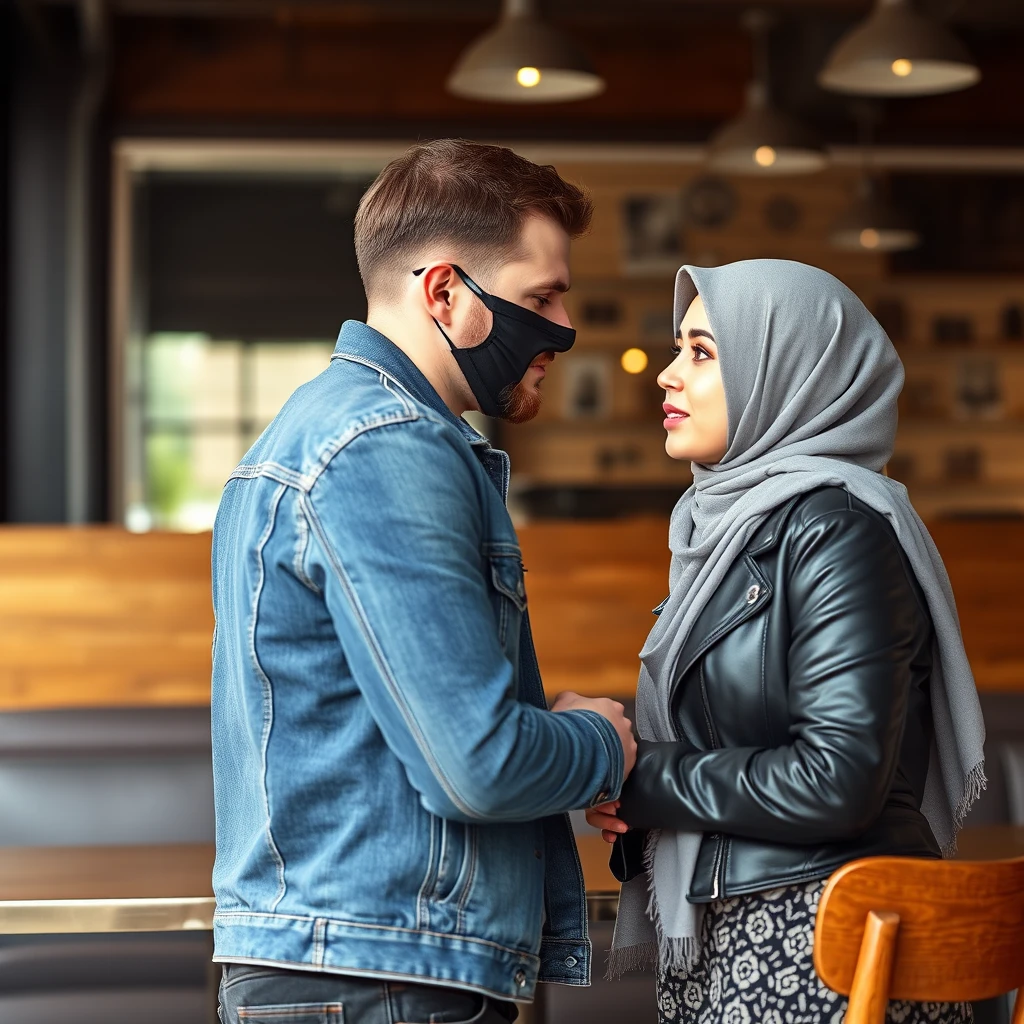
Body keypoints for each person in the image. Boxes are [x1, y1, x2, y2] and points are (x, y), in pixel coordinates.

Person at [211, 139, 636, 1024]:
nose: (564, 327)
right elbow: (475, 767)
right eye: (540, 297)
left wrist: (537, 731)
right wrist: (601, 742)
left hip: (354, 966)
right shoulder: (385, 447)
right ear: (444, 292)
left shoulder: (322, 429)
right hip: (384, 981)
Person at [587, 260, 986, 1024]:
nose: (667, 376)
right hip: (744, 928)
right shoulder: (729, 534)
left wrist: (639, 779)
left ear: (787, 373)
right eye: (679, 348)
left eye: (702, 352)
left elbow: (836, 780)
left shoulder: (835, 530)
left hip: (821, 945)